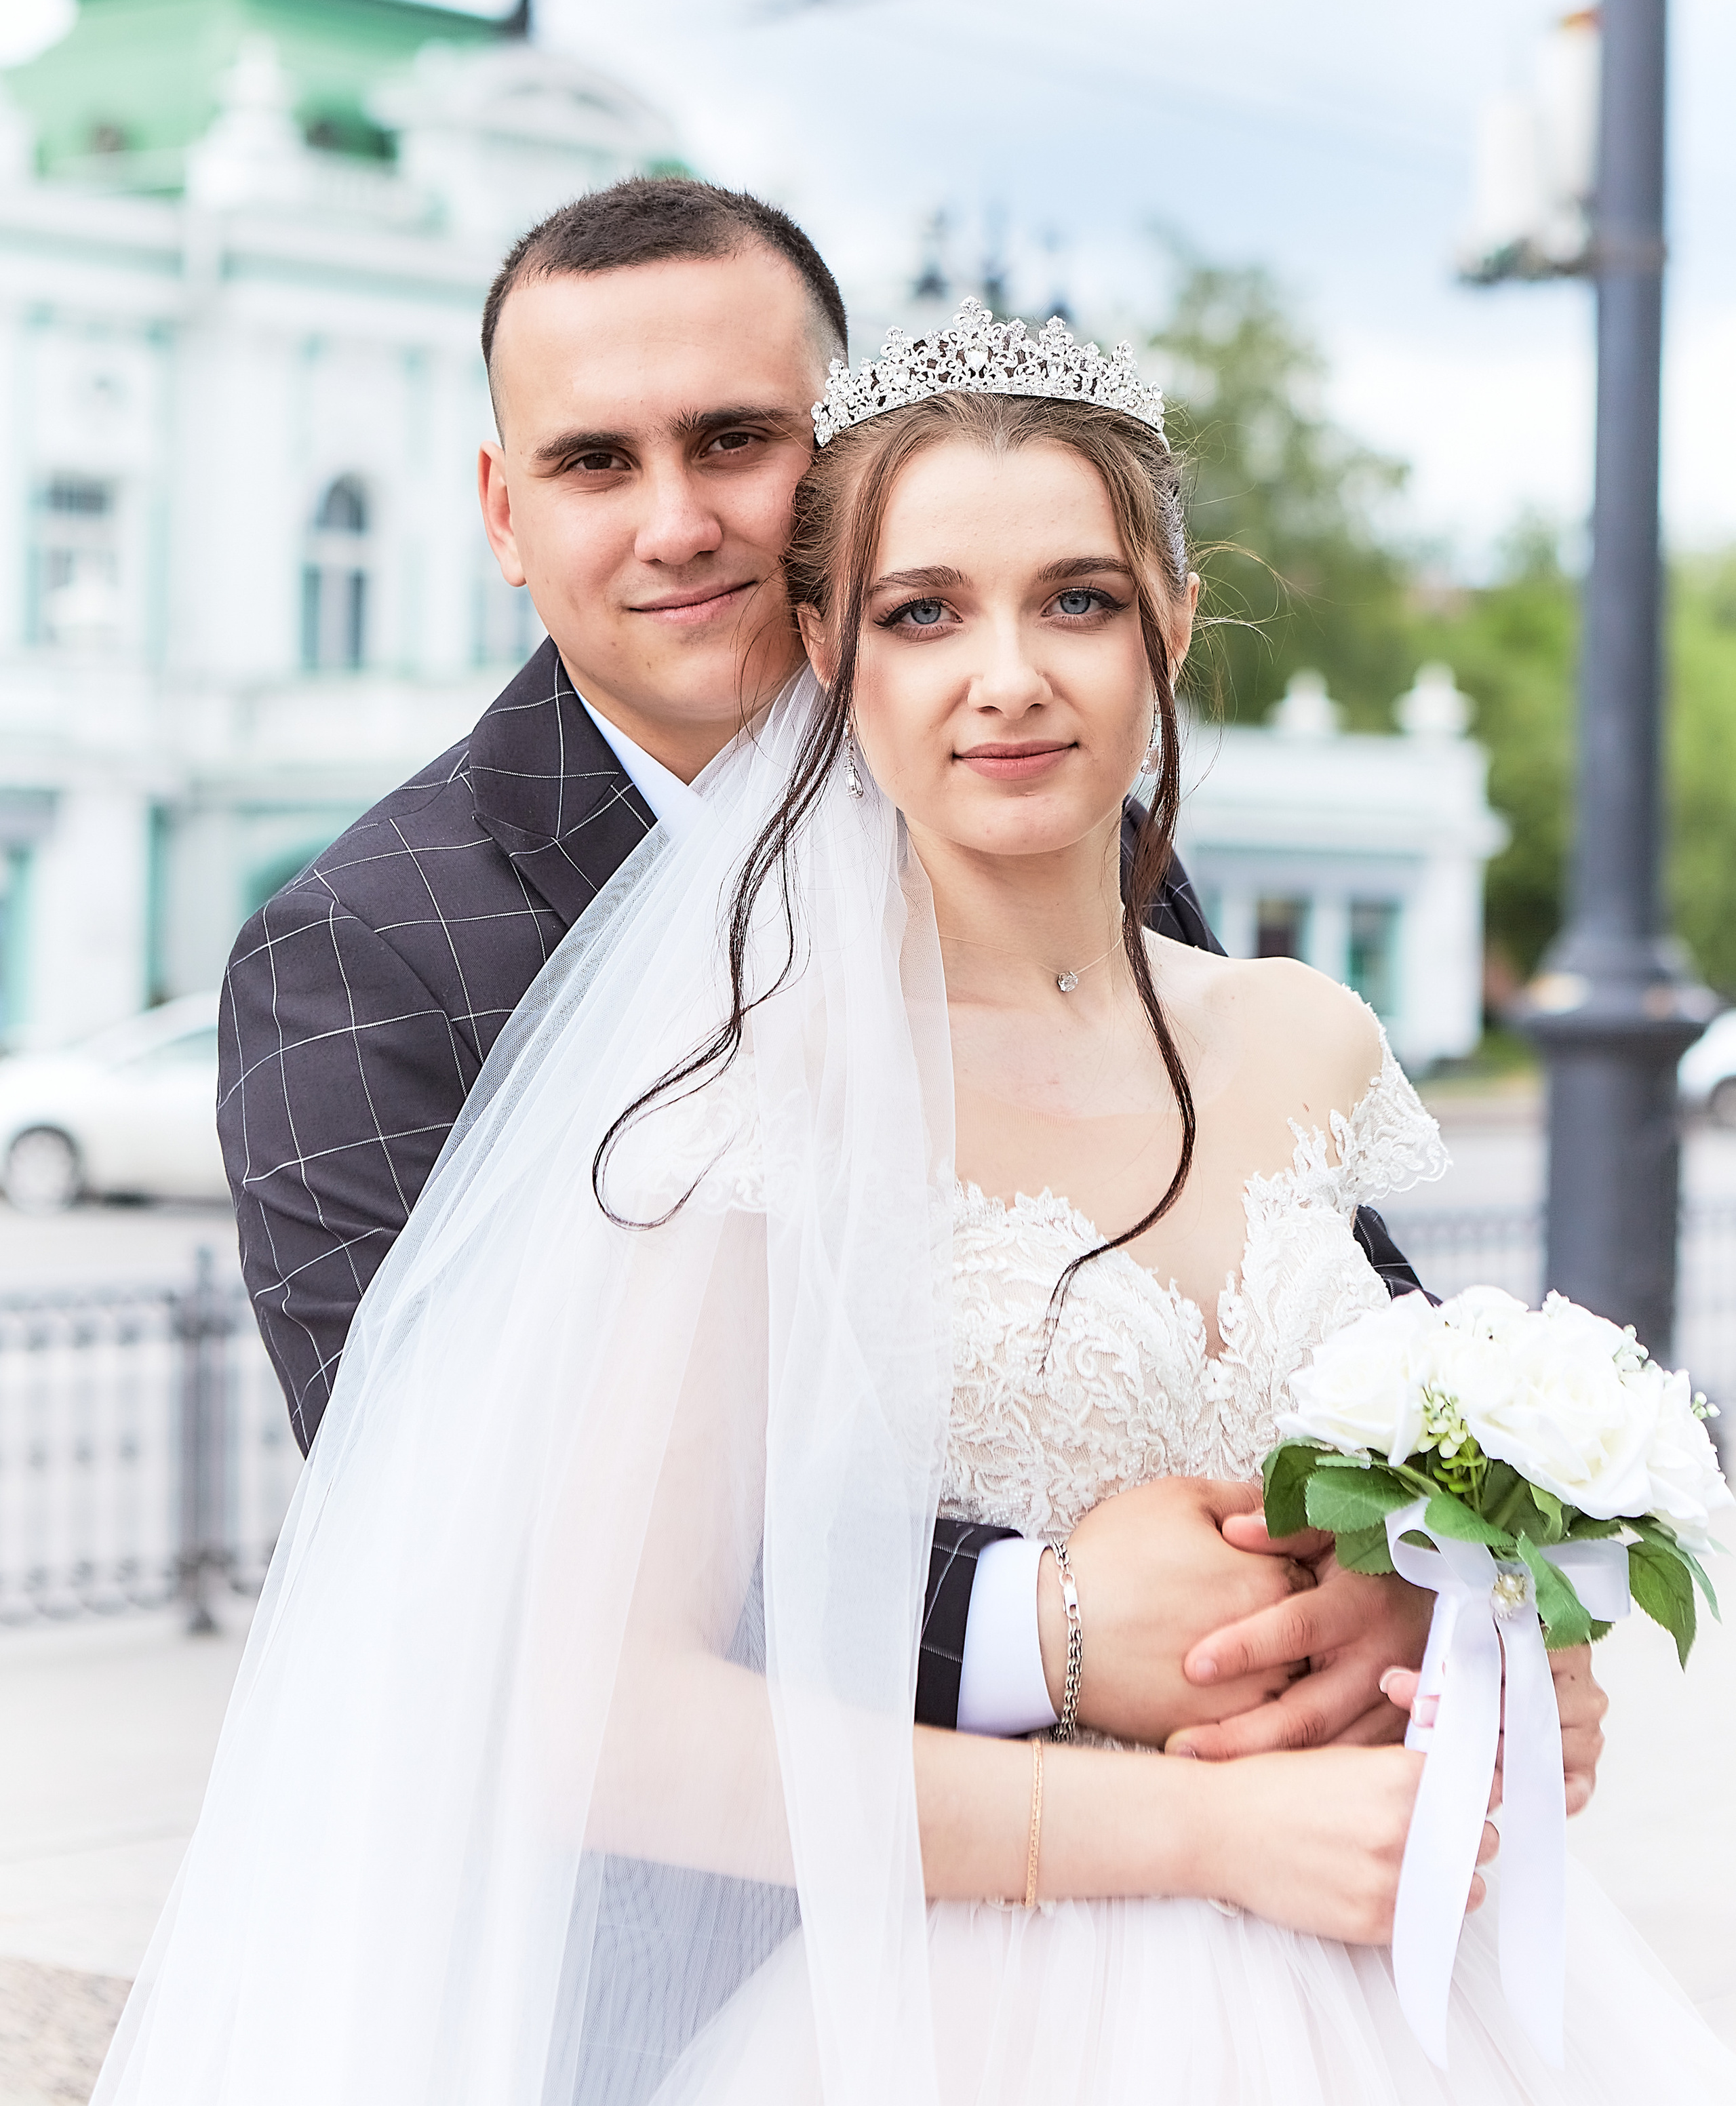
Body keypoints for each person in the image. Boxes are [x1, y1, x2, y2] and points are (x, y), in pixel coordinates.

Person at [101, 302, 1701, 2105]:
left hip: (1412, 1976)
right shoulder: (753, 1093)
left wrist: (1498, 1656)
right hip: (972, 2012)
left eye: (1078, 601)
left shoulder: (1305, 1040)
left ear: (1175, 620)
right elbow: (597, 1724)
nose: (1005, 673)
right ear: (827, 656)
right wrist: (1196, 1837)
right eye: (923, 613)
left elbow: (1405, 1495)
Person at [217, 180, 1462, 1769]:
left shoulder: (1054, 797)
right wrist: (1046, 1623)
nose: (676, 522)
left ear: (837, 469)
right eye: (596, 460)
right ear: (503, 513)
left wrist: (1409, 1582)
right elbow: (459, 1533)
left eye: (734, 440)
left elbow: (1323, 1283)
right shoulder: (364, 954)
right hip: (713, 1948)